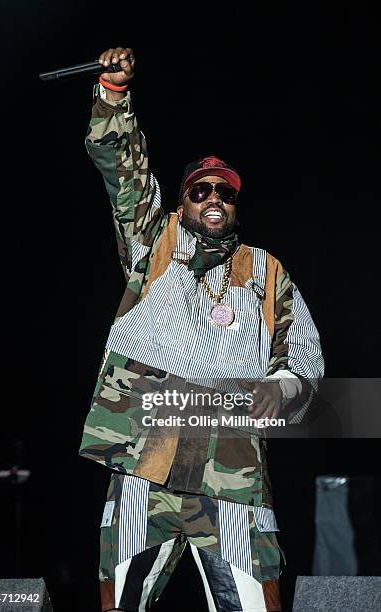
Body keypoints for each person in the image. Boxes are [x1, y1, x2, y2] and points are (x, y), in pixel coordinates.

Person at [79, 46, 324, 612]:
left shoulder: (267, 270)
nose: (215, 197)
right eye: (202, 189)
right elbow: (122, 168)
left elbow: (304, 354)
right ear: (185, 199)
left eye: (227, 192)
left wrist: (282, 387)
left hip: (230, 464)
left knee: (254, 604)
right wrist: (114, 95)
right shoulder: (155, 243)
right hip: (148, 453)